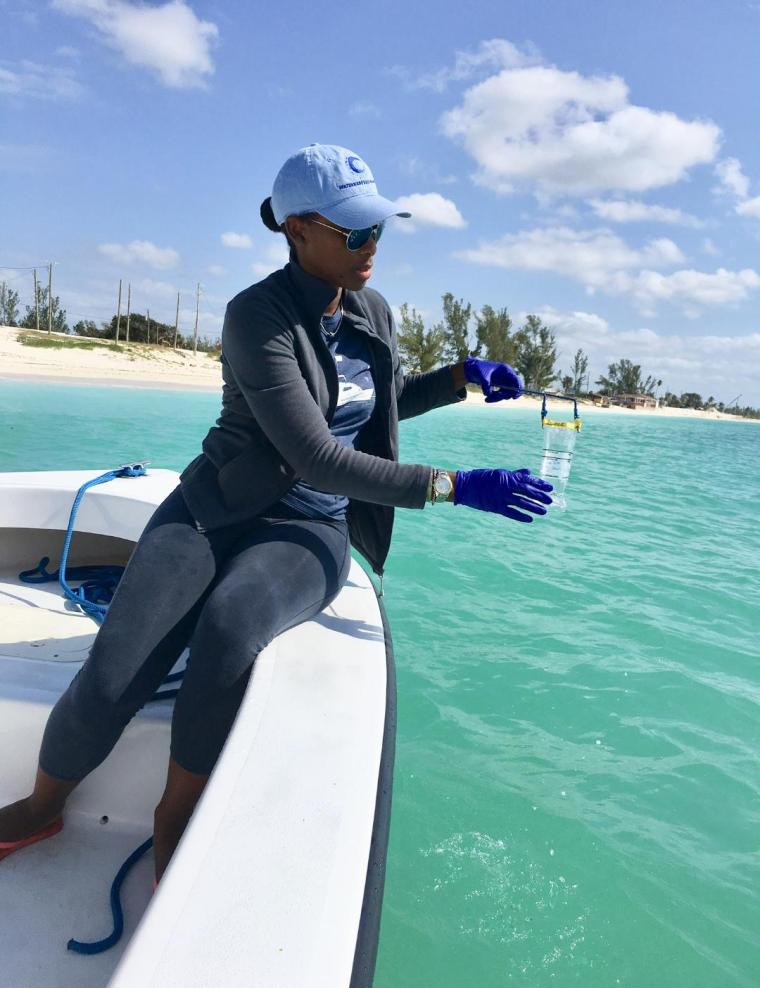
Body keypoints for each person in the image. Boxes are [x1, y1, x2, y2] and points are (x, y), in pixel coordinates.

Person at [0, 143, 552, 882]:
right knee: (111, 676)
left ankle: (176, 813)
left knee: (230, 623)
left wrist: (457, 378)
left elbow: (370, 410)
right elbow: (318, 450)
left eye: (378, 230)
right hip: (214, 506)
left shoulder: (374, 312)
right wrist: (453, 486)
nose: (373, 247)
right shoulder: (255, 318)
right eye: (355, 233)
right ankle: (42, 805)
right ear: (297, 230)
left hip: (309, 528)